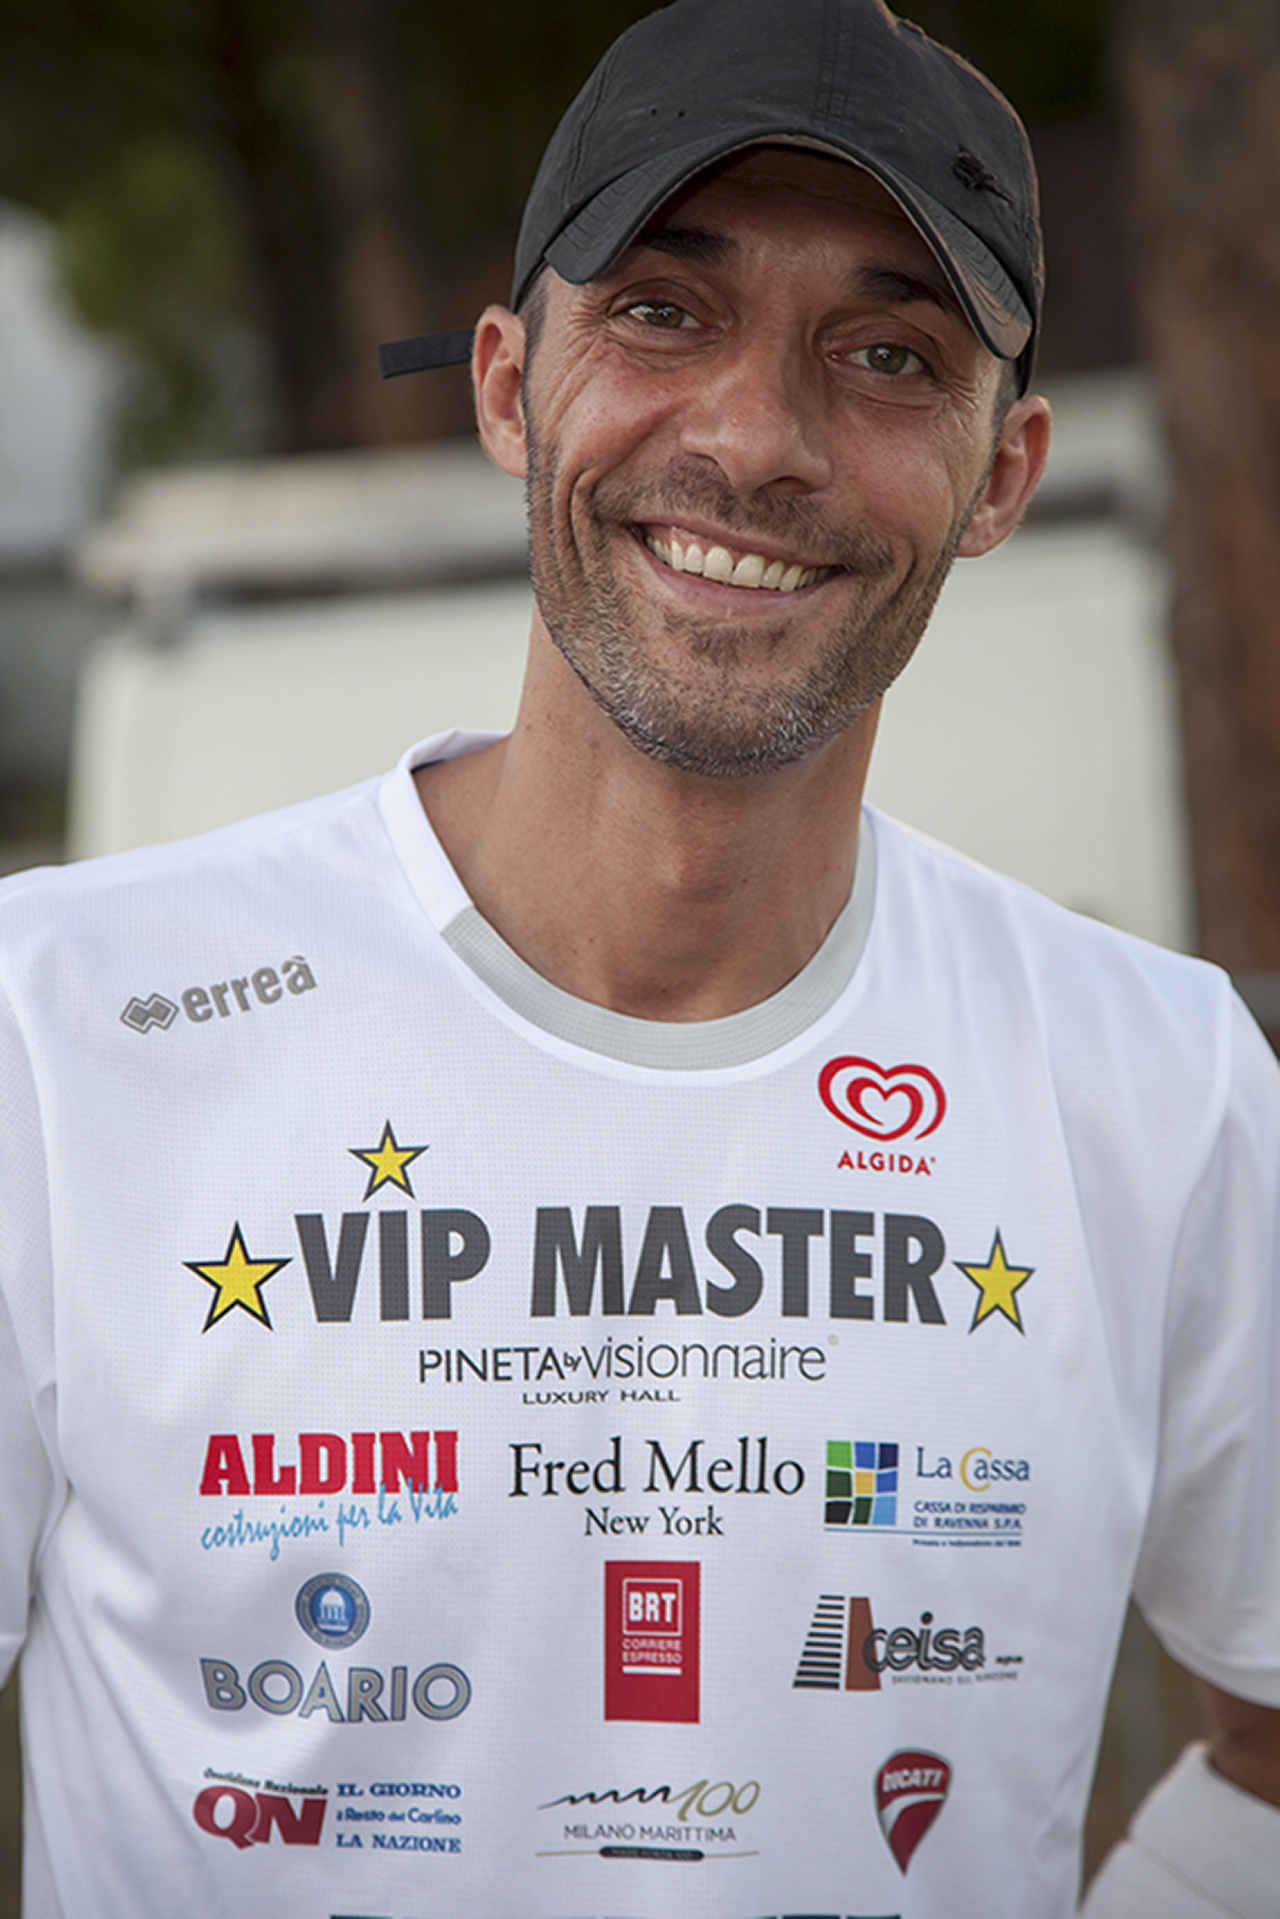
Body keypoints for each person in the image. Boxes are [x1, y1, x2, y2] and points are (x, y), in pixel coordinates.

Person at [1, 0, 1278, 1912]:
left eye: (889, 355)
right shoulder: (57, 1028)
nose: (757, 437)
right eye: (666, 312)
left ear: (1001, 480)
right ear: (510, 388)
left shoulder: (1158, 1085)